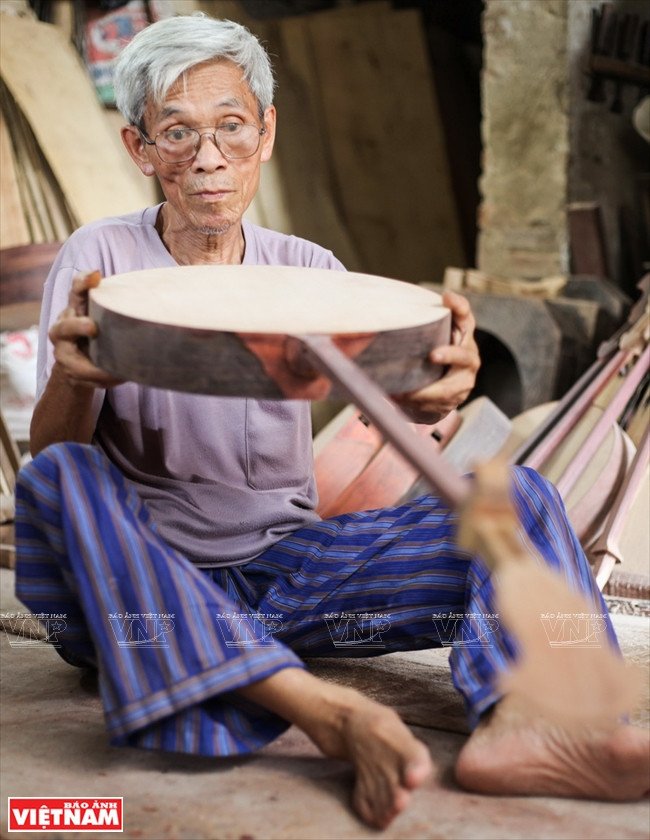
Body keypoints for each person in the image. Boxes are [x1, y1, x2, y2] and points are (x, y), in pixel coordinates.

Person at [14, 13, 648, 830]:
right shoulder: (100, 261)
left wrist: (439, 387)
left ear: (265, 134)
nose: (208, 158)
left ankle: (536, 723)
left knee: (515, 497)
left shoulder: (310, 271)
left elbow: (406, 401)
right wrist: (73, 373)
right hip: (138, 591)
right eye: (177, 133)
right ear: (141, 148)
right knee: (59, 477)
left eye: (230, 128)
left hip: (288, 582)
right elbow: (58, 448)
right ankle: (324, 711)